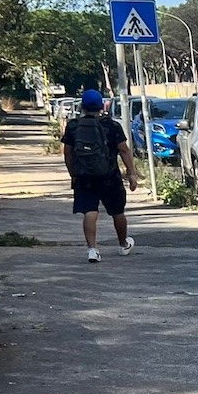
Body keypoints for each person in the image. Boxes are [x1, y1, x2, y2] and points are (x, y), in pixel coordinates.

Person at [61, 88, 139, 263]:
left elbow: (67, 153)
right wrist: (131, 173)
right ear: (102, 106)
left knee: (90, 211)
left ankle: (92, 250)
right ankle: (123, 244)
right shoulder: (111, 125)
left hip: (84, 177)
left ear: (82, 106)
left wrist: (73, 173)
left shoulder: (74, 126)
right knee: (117, 211)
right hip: (109, 176)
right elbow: (124, 150)